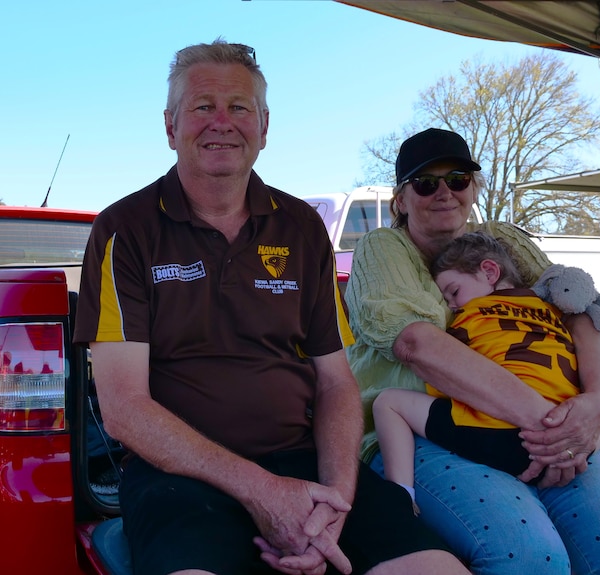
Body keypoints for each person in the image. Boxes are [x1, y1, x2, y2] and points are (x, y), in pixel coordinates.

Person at [73, 41, 468, 575]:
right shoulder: (125, 229)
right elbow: (123, 410)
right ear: (170, 127)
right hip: (179, 478)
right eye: (201, 106)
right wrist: (265, 493)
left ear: (263, 125)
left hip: (303, 462)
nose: (221, 122)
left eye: (238, 107)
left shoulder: (301, 227)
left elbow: (335, 383)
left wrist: (334, 500)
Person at [345, 127, 600, 574]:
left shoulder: (501, 240)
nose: (444, 192)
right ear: (401, 200)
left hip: (557, 429)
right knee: (527, 557)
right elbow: (415, 342)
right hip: (430, 432)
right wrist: (552, 429)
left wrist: (597, 403)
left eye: (457, 179)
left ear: (474, 187)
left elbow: (578, 306)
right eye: (425, 183)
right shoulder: (384, 247)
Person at [372, 231, 600, 511]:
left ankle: (402, 495)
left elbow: (447, 368)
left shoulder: (471, 314)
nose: (453, 305)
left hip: (491, 435)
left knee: (389, 403)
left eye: (454, 292)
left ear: (490, 271)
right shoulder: (555, 311)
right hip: (571, 436)